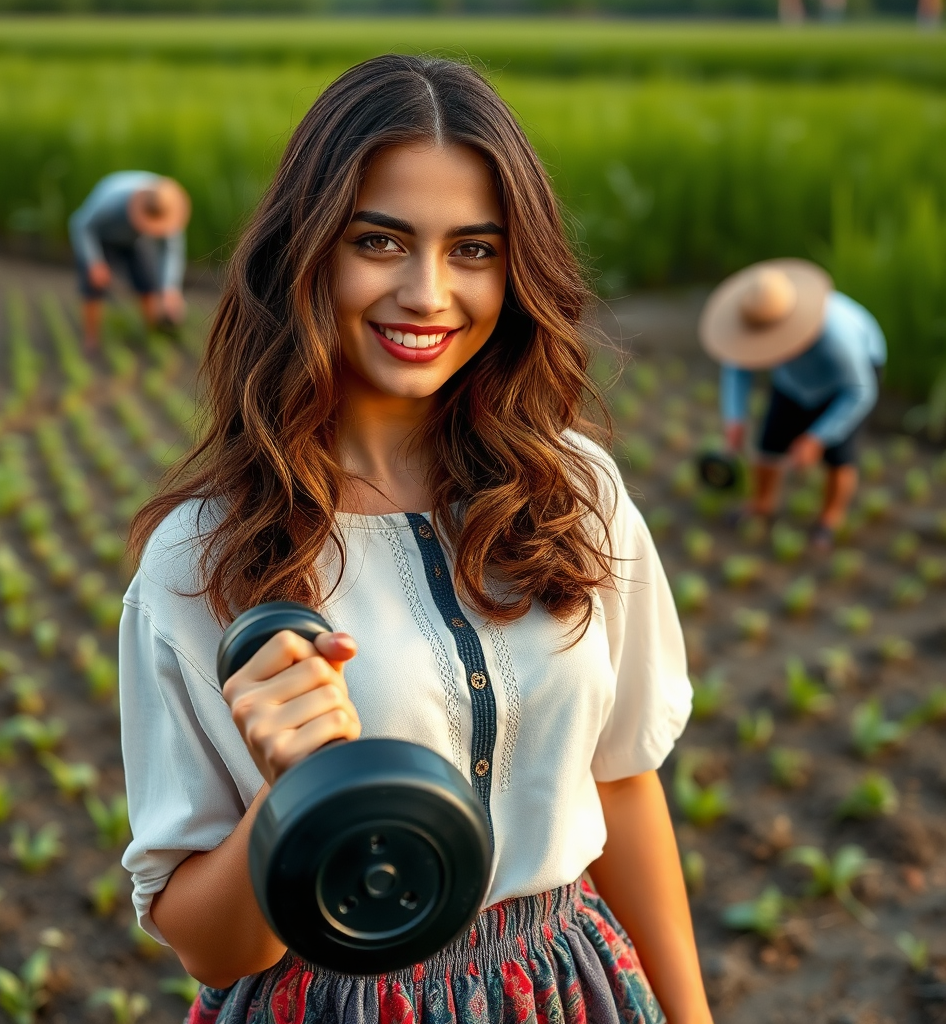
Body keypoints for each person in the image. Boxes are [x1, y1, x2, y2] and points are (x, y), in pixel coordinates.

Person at [120, 55, 710, 1024]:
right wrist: (293, 799)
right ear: (306, 251)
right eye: (381, 240)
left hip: (566, 988)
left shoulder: (574, 490)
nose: (429, 292)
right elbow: (207, 942)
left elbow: (623, 787)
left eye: (474, 249)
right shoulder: (202, 557)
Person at [700, 258, 886, 550]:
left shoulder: (839, 339)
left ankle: (830, 518)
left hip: (850, 382)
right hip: (792, 380)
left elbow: (860, 392)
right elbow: (737, 366)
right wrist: (735, 417)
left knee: (838, 456)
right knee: (770, 443)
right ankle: (762, 504)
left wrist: (817, 437)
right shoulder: (753, 320)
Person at [68, 170, 191, 350]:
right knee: (92, 286)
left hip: (135, 240)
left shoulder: (167, 207)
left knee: (147, 282)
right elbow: (81, 225)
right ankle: (91, 338)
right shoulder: (113, 201)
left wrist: (170, 289)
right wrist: (94, 262)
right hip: (101, 237)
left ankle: (153, 331)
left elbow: (171, 252)